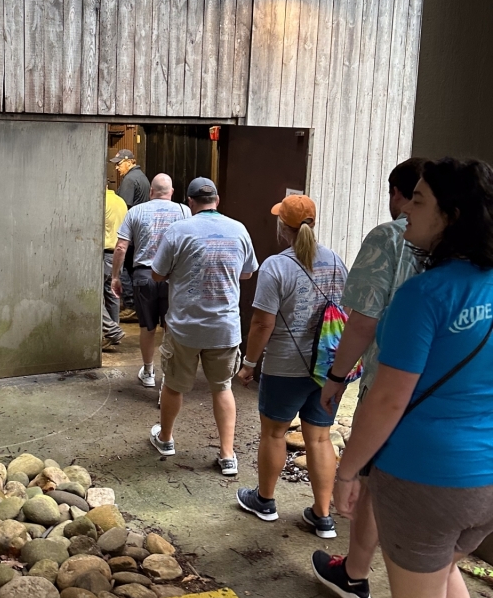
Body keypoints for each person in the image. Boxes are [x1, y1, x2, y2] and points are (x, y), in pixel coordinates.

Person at [334, 159, 493, 598]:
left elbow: (385, 402)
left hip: (426, 478)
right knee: (447, 580)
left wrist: (348, 471)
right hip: (485, 480)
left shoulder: (424, 295)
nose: (406, 212)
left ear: (451, 217)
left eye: (419, 201)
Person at [311, 157, 425, 598]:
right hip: (450, 396)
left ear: (399, 195)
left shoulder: (390, 237)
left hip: (389, 382)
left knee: (373, 480)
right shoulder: (468, 253)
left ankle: (356, 574)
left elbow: (362, 321)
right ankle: (422, 588)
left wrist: (338, 375)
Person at [234, 195, 347, 539]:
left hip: (285, 366)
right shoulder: (337, 262)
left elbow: (261, 325)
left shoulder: (275, 267)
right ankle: (322, 516)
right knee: (320, 437)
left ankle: (265, 500)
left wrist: (249, 364)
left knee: (274, 433)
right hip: (326, 367)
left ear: (283, 227)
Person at [149, 178, 258, 476]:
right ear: (217, 200)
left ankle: (166, 439)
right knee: (222, 388)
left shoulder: (178, 230)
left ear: (190, 203)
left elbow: (157, 274)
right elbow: (248, 273)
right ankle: (227, 455)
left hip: (185, 327)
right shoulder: (239, 230)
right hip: (224, 327)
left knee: (173, 385)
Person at [111, 174, 190, 388]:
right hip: (172, 278)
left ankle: (148, 372)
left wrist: (116, 277)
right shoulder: (185, 211)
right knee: (170, 328)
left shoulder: (135, 211)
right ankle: (168, 376)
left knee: (147, 328)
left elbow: (120, 247)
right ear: (171, 192)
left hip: (144, 276)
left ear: (150, 192)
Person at [109, 148, 150, 313]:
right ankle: (137, 303)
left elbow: (123, 206)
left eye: (119, 164)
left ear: (129, 162)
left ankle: (130, 304)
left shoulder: (130, 180)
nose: (117, 168)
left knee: (123, 266)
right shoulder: (142, 177)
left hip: (130, 232)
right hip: (140, 231)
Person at [102, 187, 127, 350]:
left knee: (95, 296)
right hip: (118, 252)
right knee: (113, 293)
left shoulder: (101, 201)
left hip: (104, 253)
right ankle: (114, 334)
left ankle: (112, 330)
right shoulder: (121, 201)